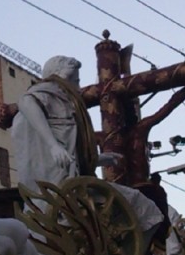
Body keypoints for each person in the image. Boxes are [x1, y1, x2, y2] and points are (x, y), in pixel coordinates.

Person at [12, 56, 116, 188]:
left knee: (138, 202)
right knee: (139, 203)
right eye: (76, 81)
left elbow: (71, 157)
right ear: (64, 77)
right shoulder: (49, 93)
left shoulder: (64, 105)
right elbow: (26, 101)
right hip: (64, 189)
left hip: (74, 185)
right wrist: (53, 145)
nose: (78, 88)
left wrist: (99, 159)